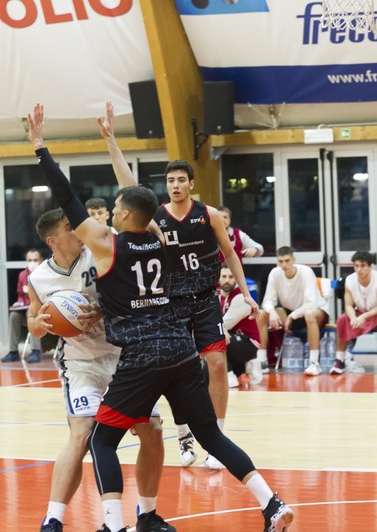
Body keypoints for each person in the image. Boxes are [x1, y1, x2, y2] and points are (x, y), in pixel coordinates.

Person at [28, 103, 294, 532]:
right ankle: (272, 503)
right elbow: (138, 198)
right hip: (181, 349)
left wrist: (41, 148)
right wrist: (111, 146)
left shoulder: (106, 246)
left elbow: (67, 197)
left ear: (124, 215)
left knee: (102, 440)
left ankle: (114, 525)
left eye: (116, 208)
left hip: (142, 356)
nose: (111, 212)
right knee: (212, 436)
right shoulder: (161, 238)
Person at [98, 101, 257, 471]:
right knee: (178, 371)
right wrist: (112, 142)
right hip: (168, 303)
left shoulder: (209, 214)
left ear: (191, 184)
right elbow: (129, 187)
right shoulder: (154, 216)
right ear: (166, 186)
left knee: (216, 363)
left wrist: (247, 293)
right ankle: (184, 434)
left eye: (181, 179)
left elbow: (230, 254)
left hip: (204, 298)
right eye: (170, 181)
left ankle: (217, 438)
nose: (175, 185)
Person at [28, 208, 171, 532]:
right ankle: (53, 519)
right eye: (70, 227)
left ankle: (147, 514)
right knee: (81, 434)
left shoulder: (101, 252)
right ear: (53, 240)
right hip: (81, 363)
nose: (79, 230)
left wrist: (101, 311)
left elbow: (134, 294)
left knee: (152, 430)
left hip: (124, 356)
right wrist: (39, 324)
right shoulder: (39, 278)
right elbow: (34, 321)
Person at [257, 247, 329, 376]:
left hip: (315, 311)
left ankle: (314, 363)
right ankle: (261, 362)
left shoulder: (306, 272)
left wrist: (292, 316)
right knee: (262, 314)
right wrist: (272, 311)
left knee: (309, 314)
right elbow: (267, 301)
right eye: (281, 261)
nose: (284, 265)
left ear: (293, 260)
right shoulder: (275, 273)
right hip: (289, 312)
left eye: (287, 261)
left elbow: (310, 303)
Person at [332, 250, 377, 375]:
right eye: (356, 266)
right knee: (342, 319)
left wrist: (363, 316)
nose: (359, 269)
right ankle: (340, 360)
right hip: (361, 311)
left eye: (362, 266)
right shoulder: (349, 280)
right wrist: (352, 317)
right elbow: (348, 305)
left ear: (370, 266)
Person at [218, 265, 264, 386]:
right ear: (218, 278)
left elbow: (225, 324)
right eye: (224, 276)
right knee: (206, 376)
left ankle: (229, 376)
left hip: (248, 342)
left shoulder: (242, 297)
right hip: (232, 340)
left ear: (237, 278)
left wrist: (217, 328)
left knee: (214, 338)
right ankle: (247, 366)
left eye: (231, 277)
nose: (227, 280)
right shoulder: (218, 296)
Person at [1, 249, 43, 363]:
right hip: (26, 311)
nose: (32, 263)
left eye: (35, 260)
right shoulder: (22, 275)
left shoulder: (45, 275)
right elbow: (20, 294)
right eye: (29, 260)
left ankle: (36, 351)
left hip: (42, 313)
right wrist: (19, 302)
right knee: (14, 315)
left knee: (32, 312)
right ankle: (13, 351)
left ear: (41, 260)